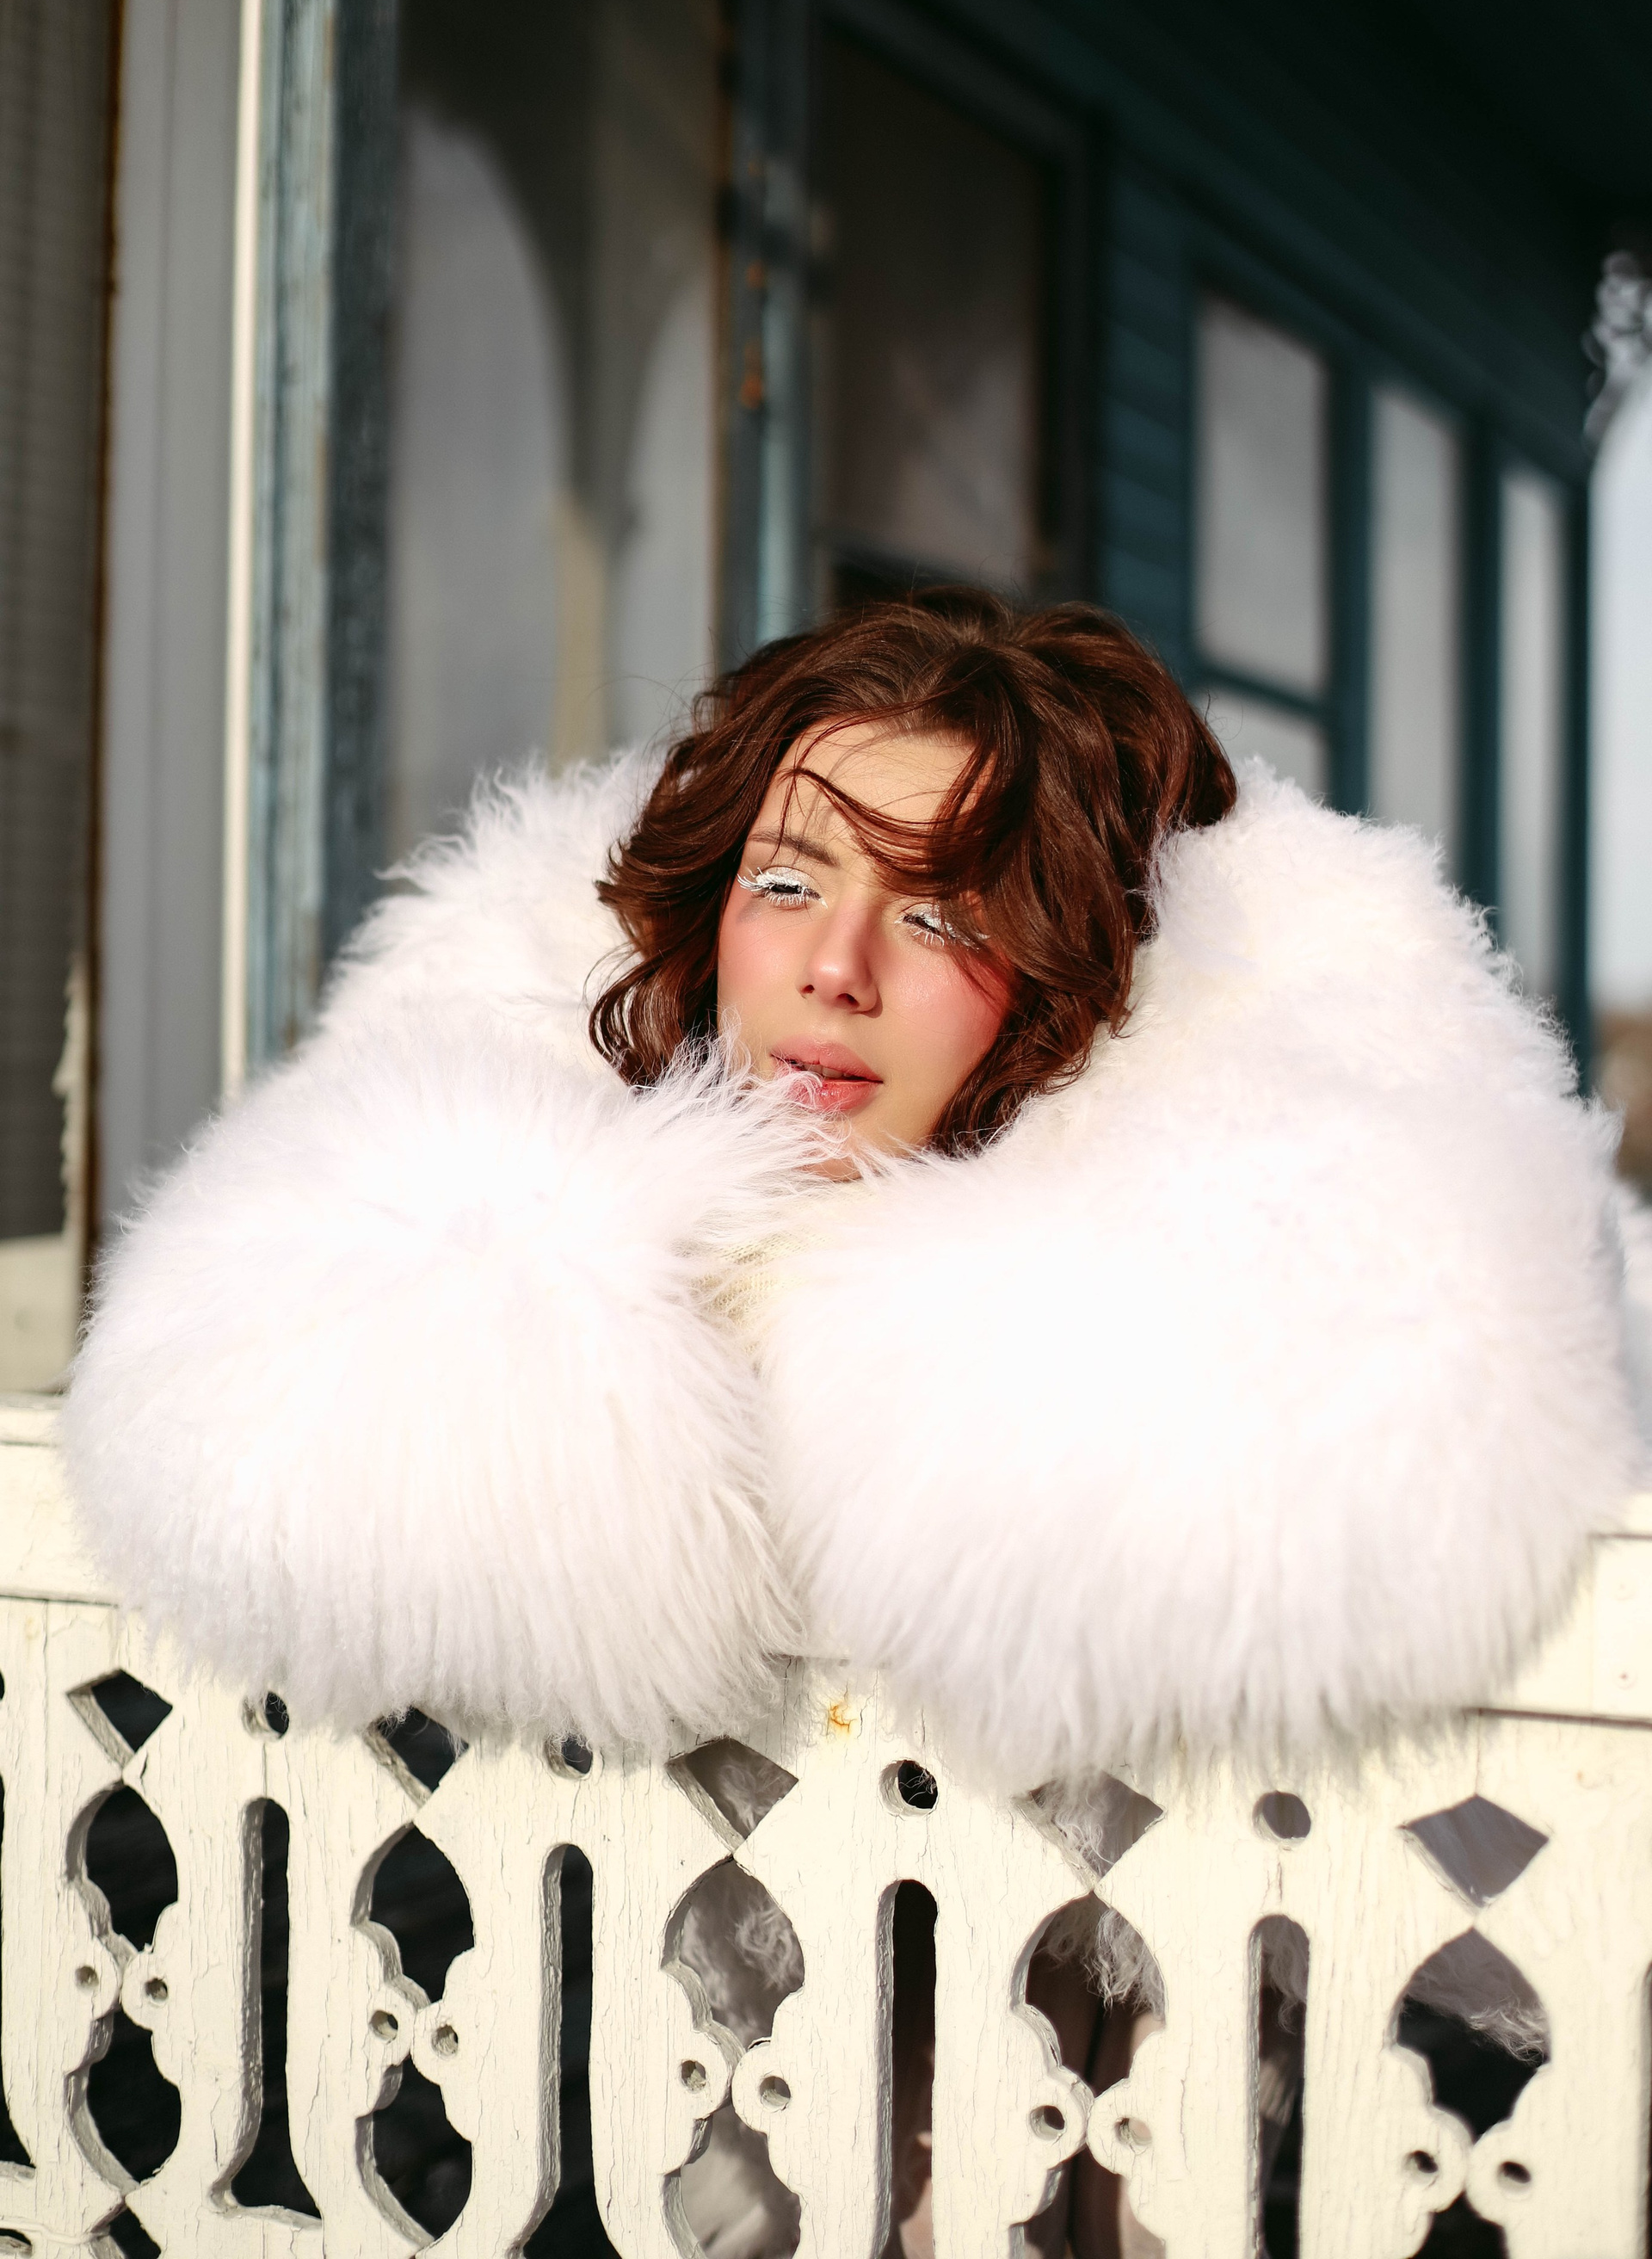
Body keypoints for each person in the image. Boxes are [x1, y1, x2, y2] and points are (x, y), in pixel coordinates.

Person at [62, 588, 1645, 2256]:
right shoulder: (543, 1231)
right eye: (788, 882)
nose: (836, 968)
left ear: (1064, 967)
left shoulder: (1172, 1317)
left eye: (943, 912)